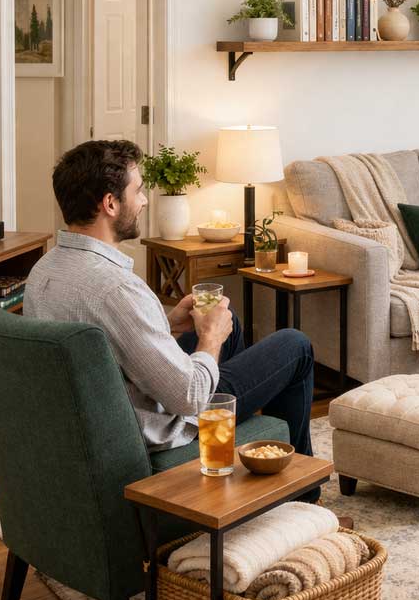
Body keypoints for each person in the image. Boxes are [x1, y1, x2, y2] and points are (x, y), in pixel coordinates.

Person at [24, 139, 316, 469]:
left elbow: (112, 346)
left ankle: (239, 469)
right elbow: (189, 398)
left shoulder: (44, 269)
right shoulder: (116, 289)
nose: (145, 201)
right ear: (110, 203)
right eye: (138, 191)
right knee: (296, 346)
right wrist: (209, 339)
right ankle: (304, 491)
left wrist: (171, 325)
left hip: (99, 414)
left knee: (227, 319)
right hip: (159, 426)